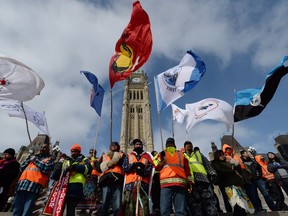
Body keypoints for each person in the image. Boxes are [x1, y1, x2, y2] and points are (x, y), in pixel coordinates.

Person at [13, 142, 54, 216]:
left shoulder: (50, 159)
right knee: (16, 210)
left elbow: (46, 168)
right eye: (41, 147)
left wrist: (35, 159)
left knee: (27, 211)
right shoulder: (33, 157)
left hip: (34, 186)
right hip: (22, 185)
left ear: (49, 150)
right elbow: (21, 168)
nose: (42, 149)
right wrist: (29, 157)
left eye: (44, 147)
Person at [155, 138, 193, 216]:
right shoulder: (162, 154)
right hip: (168, 184)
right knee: (167, 211)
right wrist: (161, 160)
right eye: (168, 143)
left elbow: (187, 169)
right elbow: (157, 167)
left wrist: (189, 182)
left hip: (178, 184)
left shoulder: (181, 155)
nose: (169, 144)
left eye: (170, 143)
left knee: (177, 211)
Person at [183, 141, 218, 216]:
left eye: (190, 144)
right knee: (195, 205)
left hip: (203, 180)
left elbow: (207, 164)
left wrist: (213, 174)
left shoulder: (198, 154)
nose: (189, 146)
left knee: (209, 202)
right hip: (191, 182)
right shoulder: (182, 156)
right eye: (187, 145)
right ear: (184, 147)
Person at [212, 150, 251, 215]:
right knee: (234, 202)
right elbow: (221, 172)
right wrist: (232, 170)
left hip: (237, 184)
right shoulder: (215, 163)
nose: (223, 156)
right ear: (217, 156)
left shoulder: (228, 162)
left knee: (242, 201)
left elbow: (239, 171)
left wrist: (236, 164)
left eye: (223, 154)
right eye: (220, 155)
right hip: (227, 185)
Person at [122, 138, 153, 216]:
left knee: (144, 207)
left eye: (140, 144)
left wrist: (143, 172)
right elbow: (124, 168)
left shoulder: (147, 157)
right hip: (130, 185)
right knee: (129, 206)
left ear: (142, 146)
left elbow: (150, 170)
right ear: (134, 146)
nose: (138, 146)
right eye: (137, 144)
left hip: (143, 184)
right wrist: (133, 165)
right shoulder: (129, 155)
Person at [96, 142, 125, 216]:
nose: (113, 146)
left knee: (117, 204)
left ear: (118, 147)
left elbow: (124, 165)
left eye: (115, 145)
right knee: (105, 203)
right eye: (112, 145)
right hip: (106, 180)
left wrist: (115, 158)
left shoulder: (122, 155)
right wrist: (107, 163)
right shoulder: (104, 156)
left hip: (117, 180)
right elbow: (98, 168)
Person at [77, 148, 99, 214]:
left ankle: (91, 209)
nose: (92, 154)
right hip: (86, 177)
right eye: (91, 152)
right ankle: (83, 209)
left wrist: (95, 162)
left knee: (92, 194)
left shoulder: (97, 160)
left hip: (93, 177)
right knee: (84, 193)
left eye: (94, 153)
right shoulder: (85, 160)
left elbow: (98, 168)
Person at [151, 150, 161, 216]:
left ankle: (159, 207)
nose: (156, 153)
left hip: (160, 176)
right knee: (154, 194)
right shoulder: (151, 159)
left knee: (160, 193)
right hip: (154, 177)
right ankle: (156, 208)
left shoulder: (159, 158)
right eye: (155, 153)